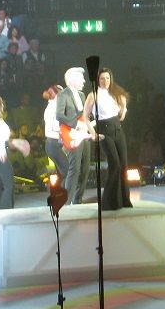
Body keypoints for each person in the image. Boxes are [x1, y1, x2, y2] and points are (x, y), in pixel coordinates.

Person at [84, 68, 133, 210]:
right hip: (104, 131)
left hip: (117, 129)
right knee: (115, 165)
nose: (105, 81)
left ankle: (123, 201)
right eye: (102, 78)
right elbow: (85, 117)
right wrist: (93, 133)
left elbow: (121, 118)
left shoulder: (116, 93)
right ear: (97, 80)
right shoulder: (93, 95)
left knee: (123, 165)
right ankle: (108, 202)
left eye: (107, 78)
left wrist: (123, 107)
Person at [56, 67, 94, 205]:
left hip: (83, 135)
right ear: (72, 80)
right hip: (72, 135)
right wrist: (74, 124)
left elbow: (84, 115)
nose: (84, 81)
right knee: (75, 168)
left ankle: (78, 200)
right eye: (81, 78)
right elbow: (59, 115)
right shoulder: (63, 95)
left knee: (85, 168)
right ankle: (67, 201)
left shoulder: (83, 95)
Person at [42, 85, 71, 178]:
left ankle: (62, 191)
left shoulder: (55, 107)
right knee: (68, 173)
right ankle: (67, 191)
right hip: (54, 144)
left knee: (64, 174)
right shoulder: (53, 108)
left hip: (55, 143)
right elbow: (55, 127)